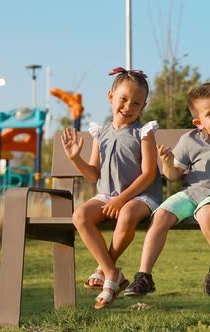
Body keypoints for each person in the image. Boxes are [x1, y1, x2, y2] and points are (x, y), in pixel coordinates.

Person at [61, 67, 162, 309]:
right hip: (107, 194)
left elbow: (148, 174)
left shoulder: (144, 133)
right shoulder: (101, 132)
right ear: (110, 97)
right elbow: (94, 173)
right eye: (123, 99)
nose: (128, 107)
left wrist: (122, 200)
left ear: (143, 106)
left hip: (140, 196)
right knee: (80, 216)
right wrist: (76, 158)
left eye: (136, 103)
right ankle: (111, 272)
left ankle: (106, 275)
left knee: (126, 213)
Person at [124, 82, 210, 298]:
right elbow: (173, 175)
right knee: (161, 216)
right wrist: (167, 161)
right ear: (198, 122)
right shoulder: (190, 140)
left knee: (209, 215)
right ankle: (144, 275)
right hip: (191, 193)